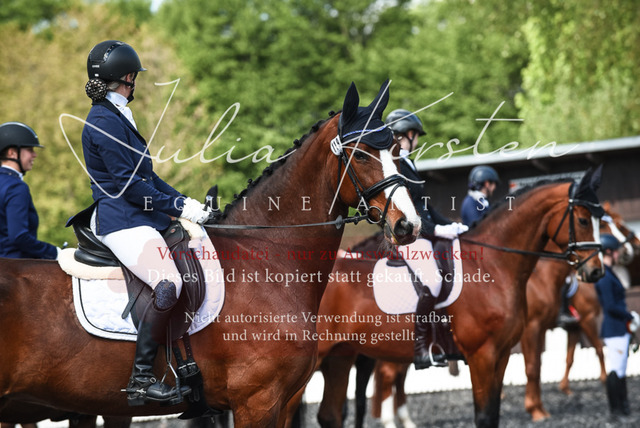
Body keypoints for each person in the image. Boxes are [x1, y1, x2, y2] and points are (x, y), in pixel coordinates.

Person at [80, 40, 210, 406]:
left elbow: (148, 178)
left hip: (140, 215)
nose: (135, 81)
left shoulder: (118, 114)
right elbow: (130, 186)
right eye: (133, 76)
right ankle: (140, 379)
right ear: (126, 77)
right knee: (168, 284)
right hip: (122, 220)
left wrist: (186, 202)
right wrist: (178, 207)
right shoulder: (104, 120)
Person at [385, 109, 467, 369]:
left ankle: (446, 341)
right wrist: (435, 230)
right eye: (415, 135)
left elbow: (424, 206)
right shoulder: (393, 166)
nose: (418, 140)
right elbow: (405, 210)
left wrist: (449, 225)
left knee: (451, 271)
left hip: (423, 231)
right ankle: (420, 347)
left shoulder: (407, 163)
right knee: (433, 280)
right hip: (408, 236)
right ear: (404, 135)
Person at [595, 233, 639, 419]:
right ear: (609, 252)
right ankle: (616, 410)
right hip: (614, 328)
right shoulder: (605, 276)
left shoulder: (610, 273)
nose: (619, 254)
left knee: (620, 369)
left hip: (619, 327)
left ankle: (623, 406)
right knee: (616, 370)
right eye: (616, 251)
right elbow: (611, 306)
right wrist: (630, 316)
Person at [0, 122, 59, 260]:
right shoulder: (16, 187)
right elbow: (19, 237)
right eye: (30, 149)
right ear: (12, 152)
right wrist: (56, 253)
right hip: (14, 266)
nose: (34, 155)